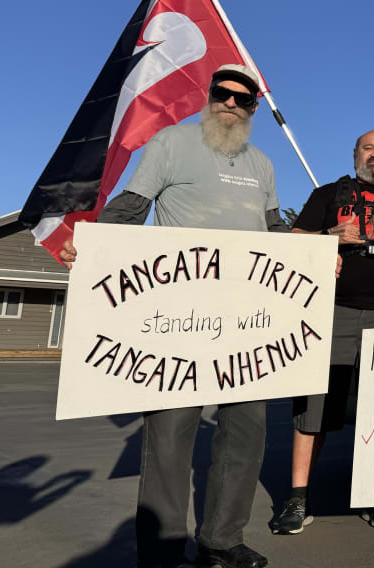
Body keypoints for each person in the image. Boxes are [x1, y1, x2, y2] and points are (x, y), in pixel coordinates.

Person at [60, 65, 289, 568]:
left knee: (247, 433)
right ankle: (161, 551)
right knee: (169, 434)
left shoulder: (264, 165)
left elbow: (276, 232)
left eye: (241, 98)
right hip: (178, 317)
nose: (230, 103)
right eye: (222, 94)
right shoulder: (171, 143)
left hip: (248, 319)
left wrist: (320, 256)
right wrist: (93, 246)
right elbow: (131, 207)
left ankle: (222, 542)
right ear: (209, 98)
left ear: (253, 109)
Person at [269, 129, 374, 534]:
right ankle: (298, 496)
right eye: (368, 149)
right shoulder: (327, 195)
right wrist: (328, 238)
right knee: (314, 406)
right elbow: (293, 241)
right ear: (355, 153)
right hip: (333, 312)